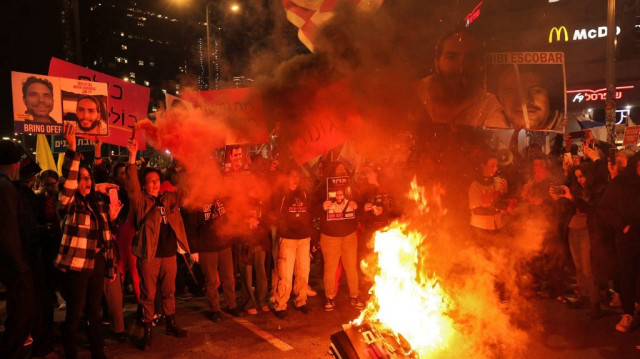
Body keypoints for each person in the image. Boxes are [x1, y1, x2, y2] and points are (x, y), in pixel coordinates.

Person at [55, 122, 121, 359]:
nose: (86, 181)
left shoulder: (98, 203)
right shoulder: (68, 203)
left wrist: (110, 266)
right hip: (76, 266)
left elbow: (106, 238)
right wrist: (72, 150)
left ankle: (97, 351)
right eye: (82, 178)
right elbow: (69, 182)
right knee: (75, 312)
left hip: (97, 263)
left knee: (95, 311)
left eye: (89, 178)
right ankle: (71, 352)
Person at [125, 138, 191, 349]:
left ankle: (171, 323)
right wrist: (133, 157)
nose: (154, 183)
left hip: (169, 254)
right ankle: (147, 330)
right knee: (148, 294)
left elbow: (186, 193)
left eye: (156, 180)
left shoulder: (168, 198)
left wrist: (185, 164)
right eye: (150, 181)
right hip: (149, 256)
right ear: (144, 185)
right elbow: (132, 184)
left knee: (169, 291)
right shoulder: (141, 201)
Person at [416, 29, 507, 129]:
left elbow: (498, 141)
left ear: (479, 65)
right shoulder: (416, 93)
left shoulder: (488, 104)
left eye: (470, 58)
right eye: (451, 57)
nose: (461, 67)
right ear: (437, 63)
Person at [0, 140, 35, 359]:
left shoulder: (6, 186)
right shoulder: (4, 187)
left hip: (13, 265)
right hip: (15, 267)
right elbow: (7, 231)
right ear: (15, 165)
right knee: (20, 319)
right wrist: (21, 266)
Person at [598, 152, 640, 333]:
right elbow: (604, 209)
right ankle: (628, 312)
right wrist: (621, 226)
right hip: (627, 240)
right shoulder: (620, 184)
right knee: (627, 276)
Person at [182, 197, 242, 322]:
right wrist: (193, 250)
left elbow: (230, 217)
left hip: (224, 244)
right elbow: (191, 227)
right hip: (206, 247)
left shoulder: (220, 197)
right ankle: (215, 309)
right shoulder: (197, 199)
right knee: (211, 280)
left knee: (229, 277)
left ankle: (231, 304)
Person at [318, 161, 365, 311]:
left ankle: (354, 296)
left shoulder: (352, 187)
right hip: (330, 236)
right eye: (338, 169)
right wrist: (322, 207)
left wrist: (357, 206)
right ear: (332, 171)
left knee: (351, 267)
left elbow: (361, 204)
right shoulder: (323, 186)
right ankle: (329, 297)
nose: (341, 171)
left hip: (349, 234)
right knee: (330, 268)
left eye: (344, 169)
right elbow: (311, 207)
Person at [272, 168, 313, 318]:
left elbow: (309, 214)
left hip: (304, 239)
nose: (295, 179)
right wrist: (285, 230)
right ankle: (280, 305)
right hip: (288, 239)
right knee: (285, 274)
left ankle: (301, 301)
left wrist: (310, 236)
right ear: (286, 178)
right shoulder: (281, 195)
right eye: (292, 176)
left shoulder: (303, 193)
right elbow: (275, 215)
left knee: (303, 272)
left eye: (297, 176)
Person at [495, 65, 564, 132]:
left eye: (536, 91)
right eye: (512, 92)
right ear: (501, 98)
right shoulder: (493, 127)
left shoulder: (566, 131)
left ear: (550, 97)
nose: (525, 101)